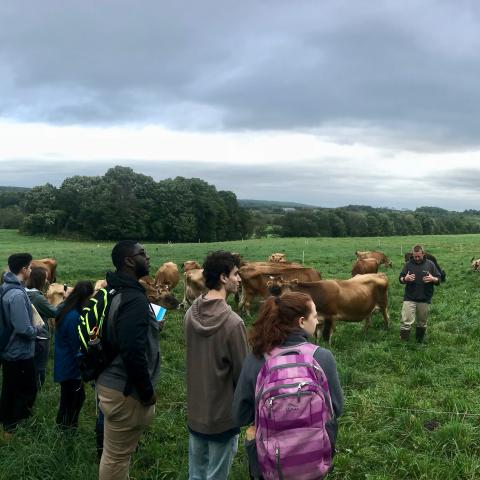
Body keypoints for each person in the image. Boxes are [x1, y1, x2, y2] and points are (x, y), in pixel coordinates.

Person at [232, 291, 344, 480]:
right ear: (301, 321)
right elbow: (336, 409)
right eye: (315, 316)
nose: (317, 321)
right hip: (313, 460)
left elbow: (240, 416)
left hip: (269, 464)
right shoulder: (323, 357)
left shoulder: (257, 358)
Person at [96, 240, 159, 480]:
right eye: (143, 253)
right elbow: (132, 350)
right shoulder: (134, 299)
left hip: (109, 379)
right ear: (129, 261)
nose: (148, 257)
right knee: (116, 457)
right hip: (125, 388)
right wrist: (146, 391)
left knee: (116, 454)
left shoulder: (115, 290)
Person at [184, 250, 248, 480]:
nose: (239, 279)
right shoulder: (234, 323)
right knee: (216, 475)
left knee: (196, 473)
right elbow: (243, 375)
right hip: (222, 415)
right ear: (223, 278)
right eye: (236, 274)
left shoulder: (190, 313)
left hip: (196, 409)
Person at [0, 253, 44, 434]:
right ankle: (15, 427)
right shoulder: (17, 294)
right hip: (18, 351)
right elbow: (23, 328)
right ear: (24, 270)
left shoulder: (4, 287)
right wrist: (38, 330)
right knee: (27, 390)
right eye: (30, 267)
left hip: (7, 348)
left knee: (10, 387)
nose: (32, 270)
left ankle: (5, 422)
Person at [54, 280, 94, 430]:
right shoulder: (73, 317)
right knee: (71, 399)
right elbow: (76, 344)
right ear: (85, 298)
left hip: (64, 362)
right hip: (70, 366)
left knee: (73, 398)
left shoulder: (66, 309)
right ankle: (66, 429)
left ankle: (67, 427)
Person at [25, 267, 63, 388]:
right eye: (46, 278)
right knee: (40, 367)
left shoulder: (23, 292)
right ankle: (38, 391)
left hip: (27, 335)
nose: (47, 281)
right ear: (40, 280)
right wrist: (65, 301)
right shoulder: (37, 297)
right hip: (41, 336)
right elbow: (54, 312)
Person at [399, 244, 441, 343]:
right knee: (406, 321)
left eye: (419, 256)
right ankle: (403, 343)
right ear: (412, 254)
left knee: (422, 322)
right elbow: (400, 278)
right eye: (415, 256)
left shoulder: (430, 264)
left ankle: (419, 341)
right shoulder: (408, 264)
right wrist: (405, 278)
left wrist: (433, 279)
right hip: (409, 297)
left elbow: (439, 279)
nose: (417, 258)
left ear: (423, 254)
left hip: (424, 298)